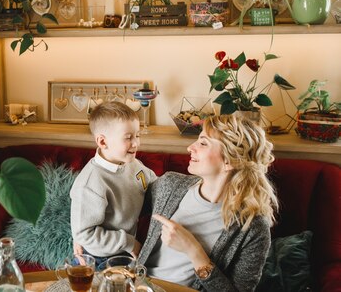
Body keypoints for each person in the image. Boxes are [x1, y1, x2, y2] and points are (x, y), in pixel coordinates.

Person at [138, 114, 278, 292]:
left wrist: (193, 250)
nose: (190, 147)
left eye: (203, 143)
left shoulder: (253, 227)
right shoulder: (169, 185)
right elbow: (124, 207)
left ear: (229, 160)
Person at [70, 101, 157, 268]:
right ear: (103, 142)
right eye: (128, 137)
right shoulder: (90, 183)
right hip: (97, 259)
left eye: (137, 135)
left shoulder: (133, 164)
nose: (136, 143)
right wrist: (128, 242)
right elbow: (85, 235)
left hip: (123, 252)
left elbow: (155, 185)